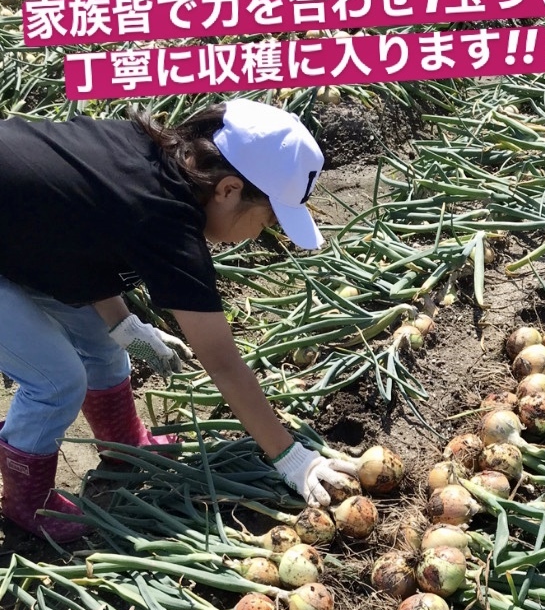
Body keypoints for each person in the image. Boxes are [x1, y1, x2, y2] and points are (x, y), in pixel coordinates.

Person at [0, 97, 356, 543]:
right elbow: (222, 361)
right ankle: (25, 503)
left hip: (15, 234)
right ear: (228, 190)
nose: (263, 232)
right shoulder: (164, 220)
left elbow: (76, 238)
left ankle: (123, 445)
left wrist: (124, 324)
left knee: (104, 344)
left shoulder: (151, 158)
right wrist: (290, 457)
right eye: (266, 218)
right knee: (56, 381)